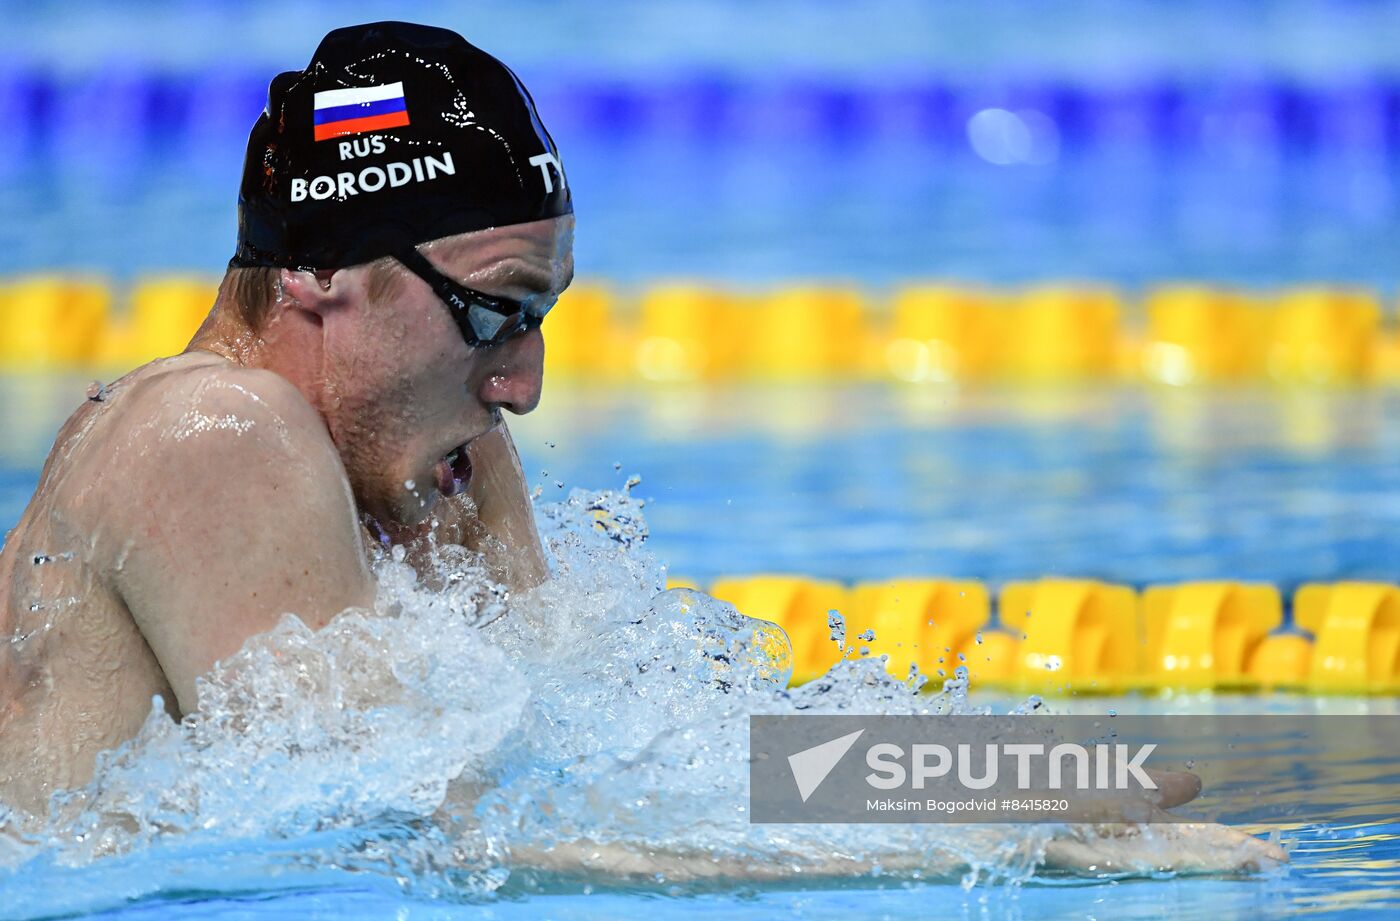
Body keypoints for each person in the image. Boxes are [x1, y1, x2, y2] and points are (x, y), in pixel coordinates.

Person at [0, 21, 1284, 878]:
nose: (524, 383)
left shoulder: (424, 447)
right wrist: (982, 855)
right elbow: (412, 838)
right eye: (495, 313)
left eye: (541, 317)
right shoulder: (211, 433)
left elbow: (600, 745)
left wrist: (1017, 780)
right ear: (328, 273)